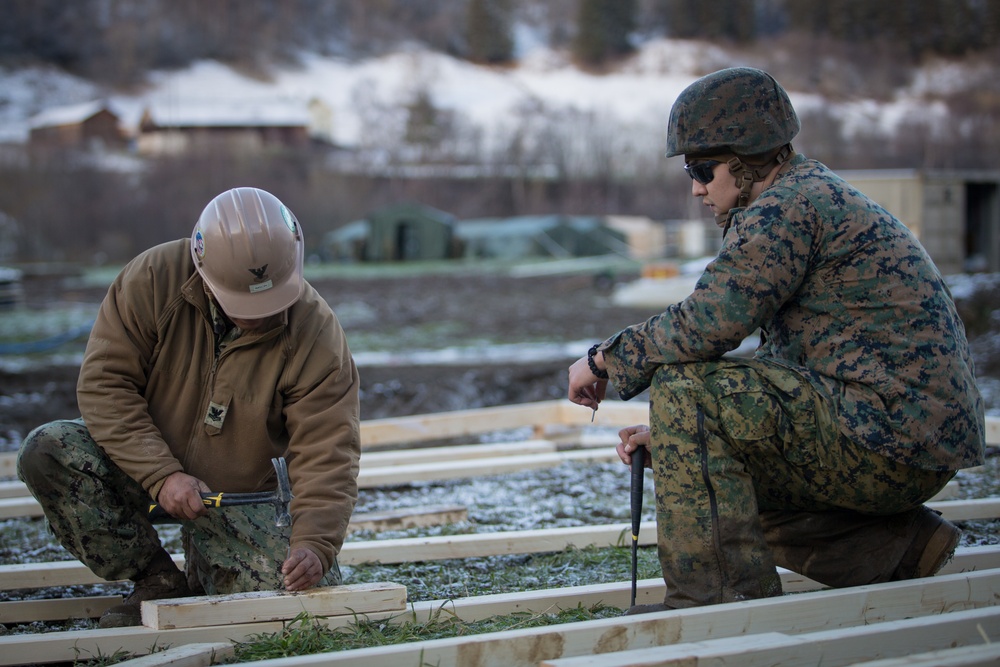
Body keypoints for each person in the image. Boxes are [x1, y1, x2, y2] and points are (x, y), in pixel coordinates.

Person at [568, 67, 985, 612]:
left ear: (745, 159)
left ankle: (714, 604)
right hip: (902, 437)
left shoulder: (787, 208)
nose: (695, 187)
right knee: (701, 450)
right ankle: (897, 551)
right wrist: (680, 437)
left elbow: (708, 323)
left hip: (889, 434)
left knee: (684, 384)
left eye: (702, 169)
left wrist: (603, 361)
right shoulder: (807, 196)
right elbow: (789, 362)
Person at [18, 187, 361, 627]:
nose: (257, 316)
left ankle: (208, 562)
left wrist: (314, 545)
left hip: (236, 499)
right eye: (242, 304)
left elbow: (328, 451)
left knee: (302, 597)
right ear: (203, 269)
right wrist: (161, 475)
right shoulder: (152, 280)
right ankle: (156, 579)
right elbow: (106, 385)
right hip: (137, 467)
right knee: (48, 450)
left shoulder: (317, 336)